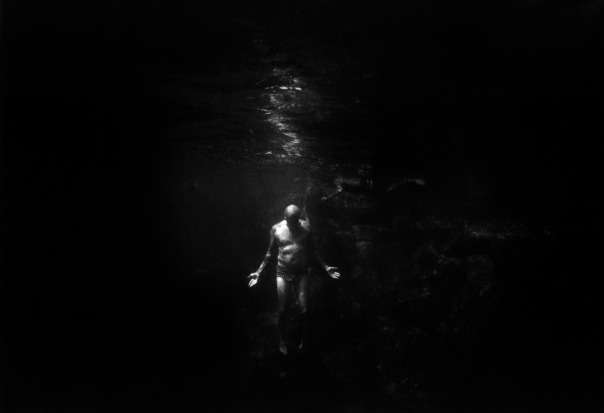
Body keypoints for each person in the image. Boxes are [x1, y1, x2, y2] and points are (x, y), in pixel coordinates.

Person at [248, 205, 340, 354]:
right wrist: (258, 272)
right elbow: (269, 253)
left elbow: (313, 250)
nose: (294, 224)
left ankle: (305, 338)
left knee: (304, 310)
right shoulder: (277, 229)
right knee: (283, 309)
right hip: (283, 270)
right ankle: (282, 339)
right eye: (291, 221)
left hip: (301, 272)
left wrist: (326, 267)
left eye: (296, 220)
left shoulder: (306, 227)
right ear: (285, 217)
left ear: (299, 218)